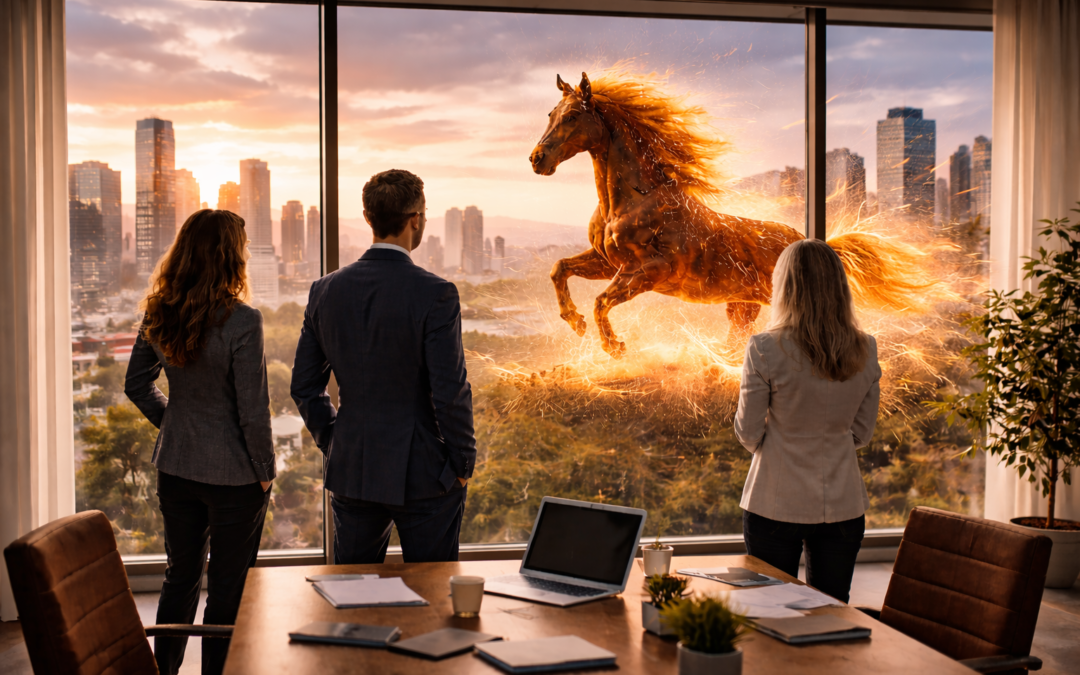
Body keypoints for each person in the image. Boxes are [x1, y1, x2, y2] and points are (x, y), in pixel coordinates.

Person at [291, 168, 475, 565]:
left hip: (353, 466)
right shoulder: (436, 293)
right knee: (432, 590)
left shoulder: (324, 290)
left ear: (368, 217)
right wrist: (462, 464)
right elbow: (450, 391)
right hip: (426, 472)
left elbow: (304, 387)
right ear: (416, 220)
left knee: (352, 590)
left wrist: (336, 441)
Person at [124, 210, 274, 675]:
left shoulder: (159, 311)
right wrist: (265, 472)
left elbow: (136, 384)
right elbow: (253, 411)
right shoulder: (243, 320)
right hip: (235, 478)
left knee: (180, 578)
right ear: (231, 257)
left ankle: (163, 672)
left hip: (176, 469)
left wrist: (175, 425)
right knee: (228, 591)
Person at [733, 238, 881, 604]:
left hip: (774, 501)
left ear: (784, 287)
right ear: (839, 286)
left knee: (770, 607)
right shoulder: (866, 347)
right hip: (844, 504)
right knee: (832, 611)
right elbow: (862, 433)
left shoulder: (765, 347)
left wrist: (779, 447)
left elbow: (748, 432)